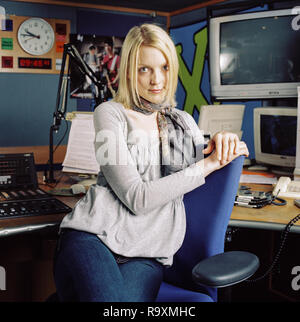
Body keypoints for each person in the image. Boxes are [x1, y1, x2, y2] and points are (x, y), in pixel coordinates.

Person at [54, 23, 249, 302]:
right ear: (130, 72)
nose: (157, 79)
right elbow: (137, 197)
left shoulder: (184, 122)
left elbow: (210, 151)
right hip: (93, 238)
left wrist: (224, 137)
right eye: (145, 69)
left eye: (165, 67)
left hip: (148, 253)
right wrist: (207, 165)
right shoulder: (110, 114)